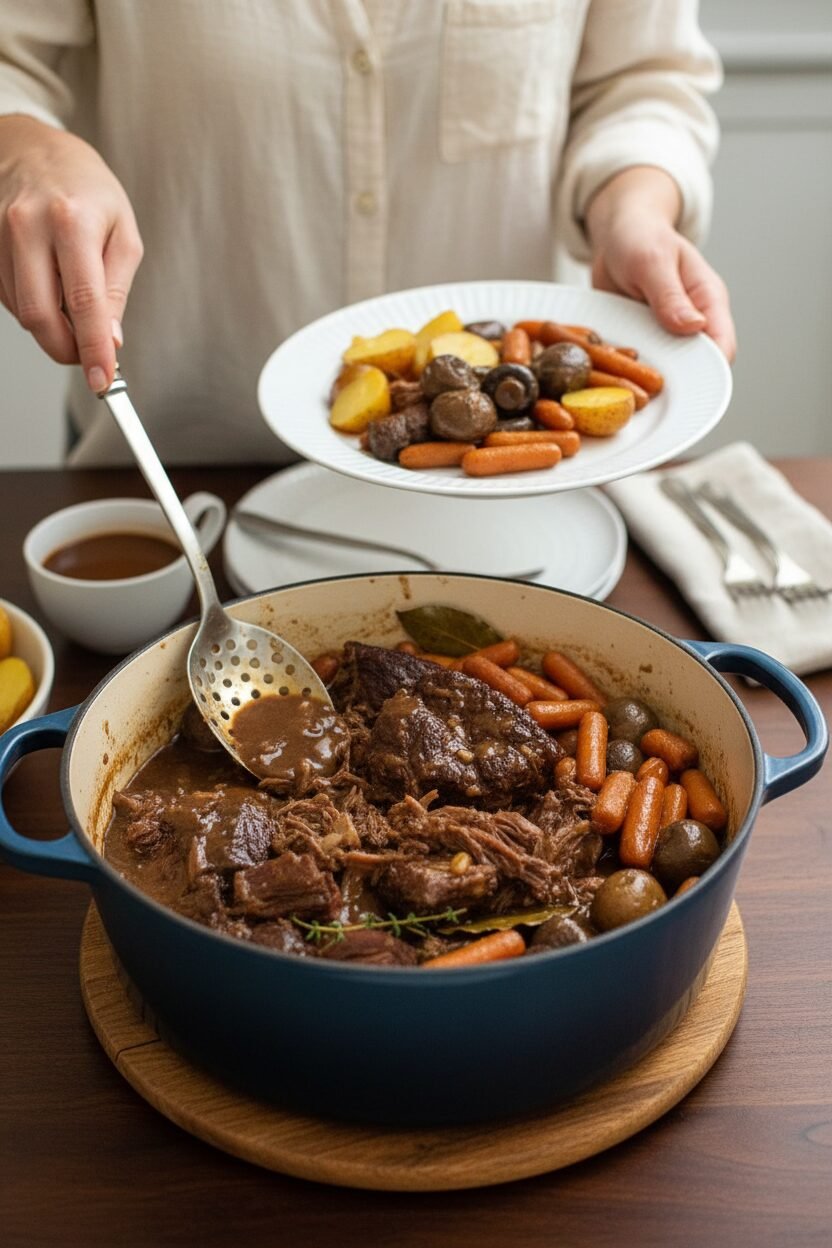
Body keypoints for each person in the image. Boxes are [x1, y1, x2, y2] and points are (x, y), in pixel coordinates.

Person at [0, 1, 735, 466]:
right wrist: (24, 145)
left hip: (521, 493)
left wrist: (633, 204)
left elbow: (641, 81)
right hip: (177, 470)